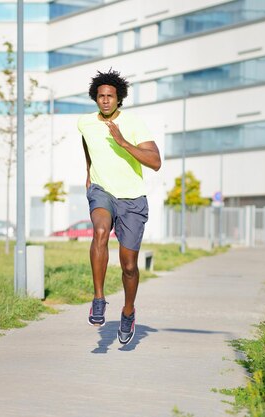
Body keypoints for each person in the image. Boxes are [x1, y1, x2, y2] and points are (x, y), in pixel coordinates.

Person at [78, 69, 161, 345]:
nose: (104, 100)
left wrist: (123, 142)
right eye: (100, 96)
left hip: (132, 198)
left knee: (128, 266)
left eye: (110, 96)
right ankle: (99, 299)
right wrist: (89, 173)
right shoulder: (85, 123)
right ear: (95, 98)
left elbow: (155, 162)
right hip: (102, 192)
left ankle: (128, 312)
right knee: (100, 231)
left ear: (119, 98)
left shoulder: (135, 123)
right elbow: (88, 146)